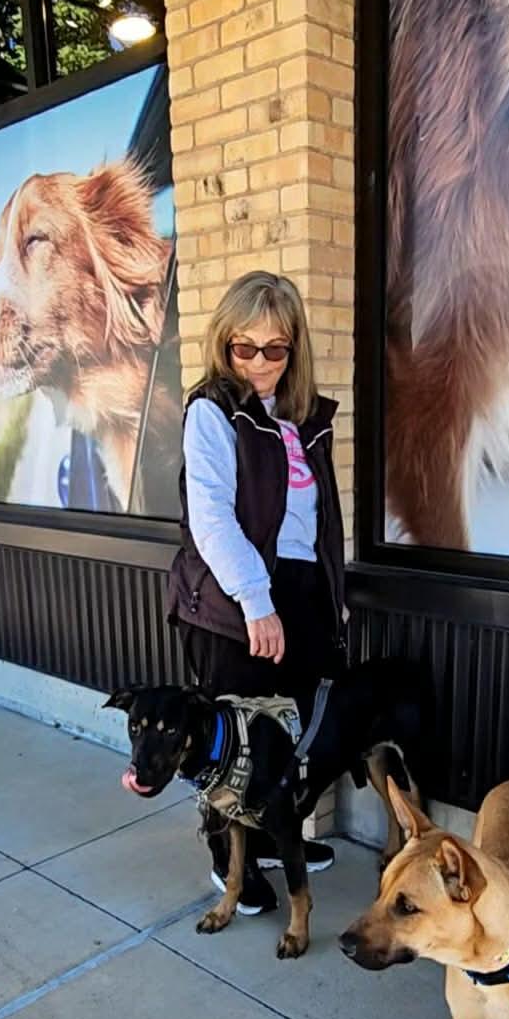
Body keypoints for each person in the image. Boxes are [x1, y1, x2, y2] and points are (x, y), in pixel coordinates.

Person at [167, 270, 348, 915]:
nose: (261, 363)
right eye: (246, 347)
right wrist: (256, 599)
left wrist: (330, 598)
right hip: (232, 600)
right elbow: (211, 517)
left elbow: (316, 523)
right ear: (225, 343)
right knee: (229, 745)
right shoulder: (213, 412)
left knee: (282, 738)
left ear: (295, 347)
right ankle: (227, 860)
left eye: (276, 348)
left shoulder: (301, 418)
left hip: (296, 597)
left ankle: (275, 840)